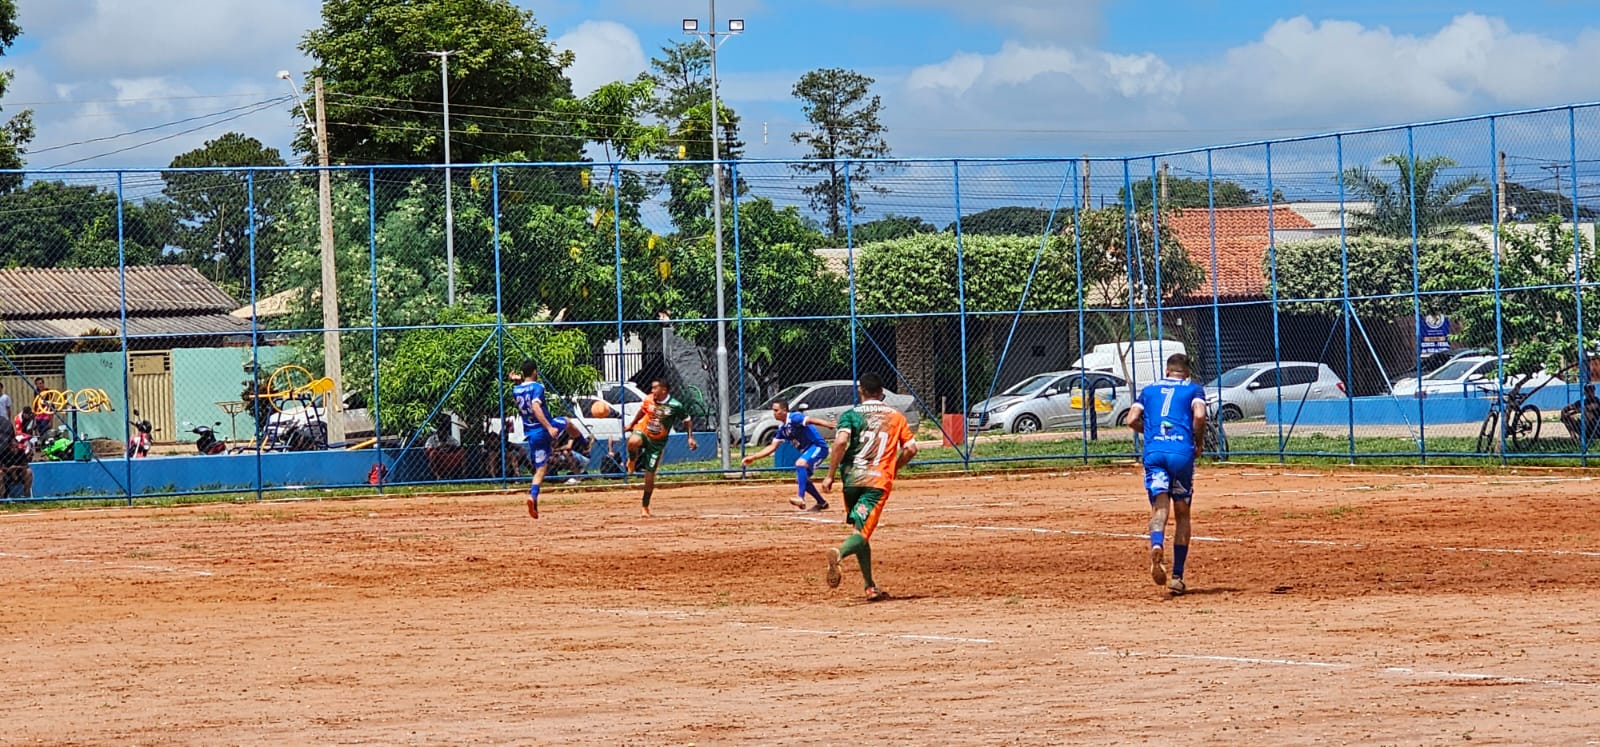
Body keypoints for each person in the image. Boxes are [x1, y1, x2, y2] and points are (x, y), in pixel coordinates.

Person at [821, 372, 917, 603]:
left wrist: (830, 475)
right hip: (876, 482)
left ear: (860, 391)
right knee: (862, 533)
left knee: (861, 531)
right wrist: (893, 467)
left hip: (851, 480)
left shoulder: (850, 415)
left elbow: (841, 442)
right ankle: (839, 554)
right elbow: (911, 448)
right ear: (882, 393)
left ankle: (870, 586)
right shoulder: (895, 416)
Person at [1125, 353, 1208, 596]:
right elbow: (1200, 415)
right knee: (1182, 513)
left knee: (1160, 507)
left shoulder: (1149, 390)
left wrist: (1149, 432)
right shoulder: (1194, 389)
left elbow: (1131, 419)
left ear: (1167, 371)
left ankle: (1157, 544)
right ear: (1188, 372)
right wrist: (1197, 441)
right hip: (1181, 453)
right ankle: (1177, 576)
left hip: (1155, 453)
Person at [740, 399, 835, 511]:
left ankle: (800, 498)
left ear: (784, 410)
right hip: (808, 450)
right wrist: (753, 457)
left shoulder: (794, 417)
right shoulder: (783, 429)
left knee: (800, 464)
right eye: (773, 411)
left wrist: (828, 424)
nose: (774, 413)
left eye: (776, 410)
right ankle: (822, 503)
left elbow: (810, 420)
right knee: (801, 479)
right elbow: (772, 447)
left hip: (818, 446)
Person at [624, 379, 697, 518]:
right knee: (633, 441)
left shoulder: (675, 406)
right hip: (643, 431)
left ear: (663, 390)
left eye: (654, 388)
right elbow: (642, 411)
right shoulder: (649, 399)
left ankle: (645, 507)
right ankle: (632, 461)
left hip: (657, 443)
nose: (652, 391)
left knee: (649, 478)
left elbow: (687, 420)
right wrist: (632, 424)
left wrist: (690, 437)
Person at [512, 359, 562, 519]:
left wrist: (518, 381)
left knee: (540, 469)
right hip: (542, 430)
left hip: (531, 434)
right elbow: (535, 406)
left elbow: (522, 395)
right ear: (535, 371)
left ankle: (533, 496)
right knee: (567, 422)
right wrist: (549, 427)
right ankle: (584, 445)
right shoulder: (538, 387)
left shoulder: (516, 389)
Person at [550, 416, 594, 484]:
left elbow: (568, 446)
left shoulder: (571, 431)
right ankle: (551, 477)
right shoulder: (559, 434)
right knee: (550, 457)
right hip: (569, 456)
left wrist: (556, 449)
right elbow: (553, 447)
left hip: (582, 457)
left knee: (566, 452)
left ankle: (577, 476)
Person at [0, 416, 33, 498]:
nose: (15, 449)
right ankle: (2, 498)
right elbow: (1, 467)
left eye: (16, 447)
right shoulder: (4, 453)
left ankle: (27, 496)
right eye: (12, 447)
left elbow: (26, 466)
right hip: (6, 473)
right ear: (9, 446)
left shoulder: (21, 452)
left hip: (19, 472)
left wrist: (16, 468)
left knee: (29, 472)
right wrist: (9, 470)